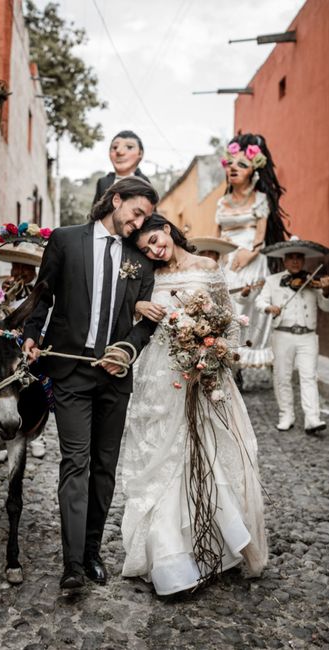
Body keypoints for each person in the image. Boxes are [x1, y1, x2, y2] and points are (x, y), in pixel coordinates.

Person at [23, 177, 159, 590]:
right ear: (115, 200)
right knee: (75, 463)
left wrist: (127, 350)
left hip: (115, 377)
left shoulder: (141, 257)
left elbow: (147, 321)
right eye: (135, 213)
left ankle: (92, 550)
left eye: (146, 219)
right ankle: (72, 564)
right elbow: (43, 295)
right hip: (70, 372)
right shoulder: (65, 240)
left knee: (104, 468)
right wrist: (31, 333)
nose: (139, 224)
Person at [121, 213, 268, 596]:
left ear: (167, 229)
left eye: (155, 239)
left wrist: (220, 354)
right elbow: (127, 312)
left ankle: (215, 548)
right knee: (164, 461)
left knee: (209, 453)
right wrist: (138, 307)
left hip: (206, 375)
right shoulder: (147, 277)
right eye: (145, 249)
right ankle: (173, 562)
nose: (155, 250)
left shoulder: (208, 267)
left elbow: (231, 322)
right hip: (161, 377)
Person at [215, 134, 289, 380]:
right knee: (225, 311)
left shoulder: (260, 200)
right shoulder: (221, 202)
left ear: (253, 171)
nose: (234, 168)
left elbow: (260, 237)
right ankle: (230, 363)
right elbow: (216, 237)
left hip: (250, 260)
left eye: (242, 165)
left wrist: (248, 255)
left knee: (246, 310)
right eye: (231, 164)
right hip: (225, 261)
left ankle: (245, 357)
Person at [256, 238, 329, 434]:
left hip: (308, 336)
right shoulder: (273, 281)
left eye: (299, 257)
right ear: (284, 260)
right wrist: (269, 307)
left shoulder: (312, 281)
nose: (295, 261)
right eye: (291, 257)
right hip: (283, 335)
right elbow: (259, 302)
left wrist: (326, 291)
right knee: (282, 377)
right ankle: (286, 415)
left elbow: (325, 307)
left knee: (309, 377)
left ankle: (312, 419)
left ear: (304, 260)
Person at [0, 243, 47, 461]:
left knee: (37, 393)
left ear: (33, 270)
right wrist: (2, 297)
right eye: (16, 266)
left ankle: (38, 435)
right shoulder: (3, 288)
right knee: (7, 394)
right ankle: (5, 439)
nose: (20, 272)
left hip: (32, 349)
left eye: (25, 267)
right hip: (8, 354)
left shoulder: (41, 292)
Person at [93, 130, 150, 205]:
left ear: (140, 153)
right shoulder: (103, 183)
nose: (119, 151)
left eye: (129, 147)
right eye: (115, 147)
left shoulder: (144, 183)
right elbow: (94, 212)